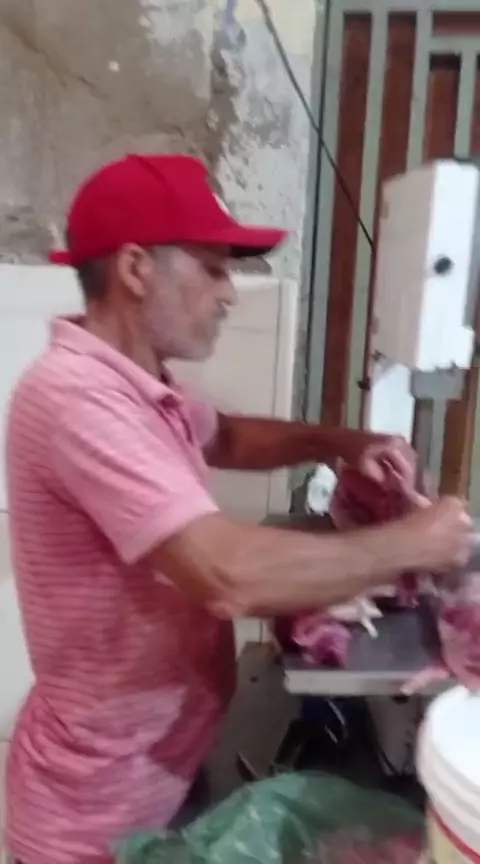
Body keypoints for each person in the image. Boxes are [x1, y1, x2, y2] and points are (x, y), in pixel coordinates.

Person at [5, 153, 470, 864]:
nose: (229, 294)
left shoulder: (137, 383)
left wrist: (343, 443)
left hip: (162, 765)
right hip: (97, 812)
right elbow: (228, 576)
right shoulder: (77, 399)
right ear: (136, 268)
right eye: (213, 268)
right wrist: (414, 542)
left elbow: (228, 435)